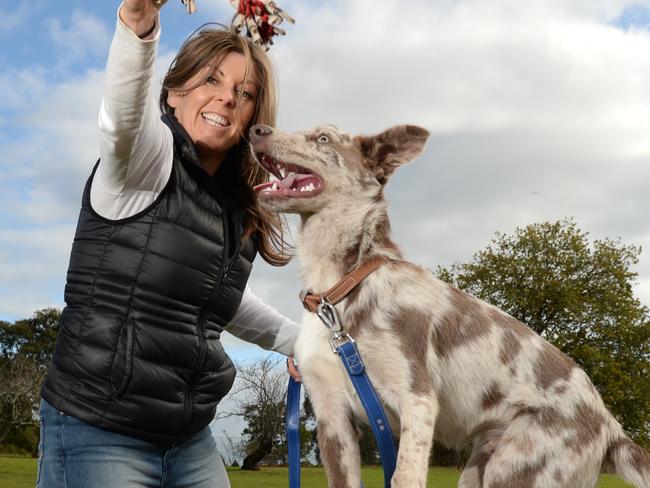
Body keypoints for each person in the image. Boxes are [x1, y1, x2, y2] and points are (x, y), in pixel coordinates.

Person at [37, 1, 301, 486]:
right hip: (99, 430)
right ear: (175, 91)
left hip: (190, 440)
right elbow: (121, 122)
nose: (226, 98)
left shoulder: (236, 208)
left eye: (243, 93)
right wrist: (137, 28)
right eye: (212, 81)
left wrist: (304, 343)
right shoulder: (145, 158)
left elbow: (219, 301)